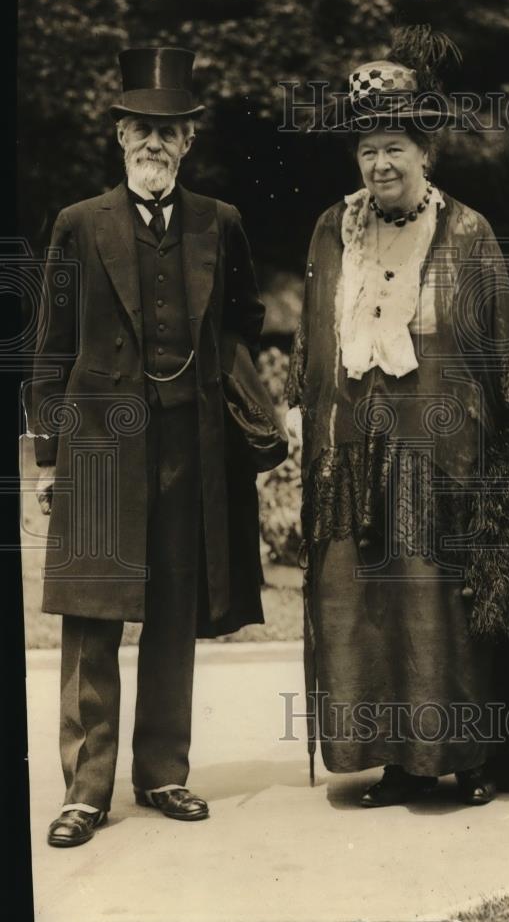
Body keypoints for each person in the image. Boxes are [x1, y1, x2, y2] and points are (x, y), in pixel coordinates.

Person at [286, 27, 509, 809]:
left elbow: (503, 347)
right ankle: (400, 761)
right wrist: (309, 426)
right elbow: (314, 344)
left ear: (424, 155)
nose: (380, 165)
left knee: (444, 604)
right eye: (369, 150)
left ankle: (470, 757)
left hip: (445, 461)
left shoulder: (466, 233)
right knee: (371, 607)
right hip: (356, 464)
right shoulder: (331, 232)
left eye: (395, 150)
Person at [30, 47, 266, 847]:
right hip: (99, 449)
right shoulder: (77, 224)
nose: (154, 144)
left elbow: (245, 319)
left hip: (187, 446)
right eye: (140, 130)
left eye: (169, 131)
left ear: (188, 142)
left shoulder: (218, 223)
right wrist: (49, 460)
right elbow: (49, 349)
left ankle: (163, 772)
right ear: (120, 138)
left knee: (173, 612)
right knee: (92, 620)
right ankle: (84, 791)